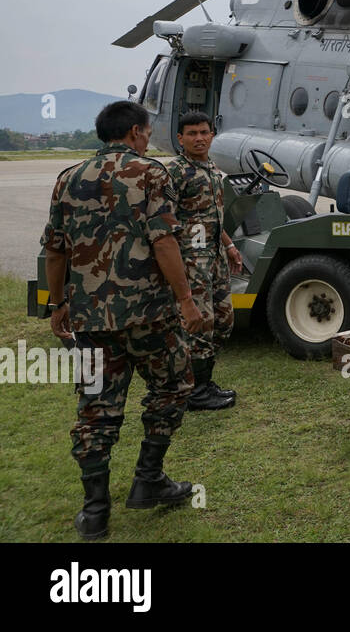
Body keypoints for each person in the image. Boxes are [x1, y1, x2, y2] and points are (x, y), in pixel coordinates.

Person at [43, 101, 204, 540]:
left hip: (91, 319)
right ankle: (148, 478)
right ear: (135, 131)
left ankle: (95, 511)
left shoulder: (68, 178)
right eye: (147, 132)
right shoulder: (153, 173)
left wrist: (58, 305)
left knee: (95, 409)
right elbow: (165, 242)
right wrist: (186, 300)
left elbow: (54, 250)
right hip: (148, 314)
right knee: (172, 386)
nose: (148, 138)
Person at [168, 111, 242, 410]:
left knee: (223, 321)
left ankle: (203, 382)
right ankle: (194, 392)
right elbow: (164, 221)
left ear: (212, 135)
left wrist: (230, 246)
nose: (199, 138)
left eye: (204, 132)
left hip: (215, 258)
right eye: (192, 133)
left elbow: (212, 217)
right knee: (199, 324)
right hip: (190, 262)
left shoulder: (212, 168)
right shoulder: (175, 172)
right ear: (180, 138)